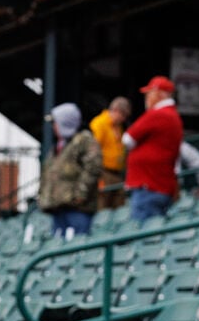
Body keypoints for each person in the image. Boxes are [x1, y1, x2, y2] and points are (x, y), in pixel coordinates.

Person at [122, 76, 183, 223]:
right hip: (158, 186)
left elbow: (127, 139)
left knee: (143, 239)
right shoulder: (173, 115)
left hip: (149, 186)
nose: (147, 98)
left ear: (161, 94)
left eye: (150, 93)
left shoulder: (159, 114)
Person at [41, 103, 103, 237]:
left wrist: (80, 195)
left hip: (78, 209)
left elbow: (93, 167)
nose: (54, 127)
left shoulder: (84, 141)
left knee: (76, 249)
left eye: (56, 123)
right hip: (58, 208)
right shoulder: (58, 147)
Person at [90, 97, 131, 210]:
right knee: (102, 205)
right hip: (104, 172)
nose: (123, 119)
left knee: (119, 205)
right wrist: (97, 175)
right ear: (116, 110)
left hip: (117, 173)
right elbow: (94, 150)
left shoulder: (118, 127)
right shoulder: (99, 123)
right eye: (122, 116)